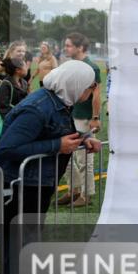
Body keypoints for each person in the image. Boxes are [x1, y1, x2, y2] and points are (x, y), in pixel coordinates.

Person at [0, 60, 102, 274]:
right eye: (89, 88)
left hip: (31, 190)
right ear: (75, 85)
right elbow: (8, 148)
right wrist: (56, 147)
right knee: (15, 259)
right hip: (14, 192)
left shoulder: (57, 101)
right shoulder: (38, 107)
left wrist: (83, 139)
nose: (89, 94)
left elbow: (53, 133)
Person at [57, 33, 102, 207]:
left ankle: (87, 195)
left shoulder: (92, 67)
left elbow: (97, 94)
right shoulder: (71, 65)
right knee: (67, 157)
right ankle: (73, 190)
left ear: (80, 47)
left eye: (68, 45)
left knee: (85, 159)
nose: (65, 48)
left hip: (85, 118)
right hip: (70, 117)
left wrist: (95, 117)